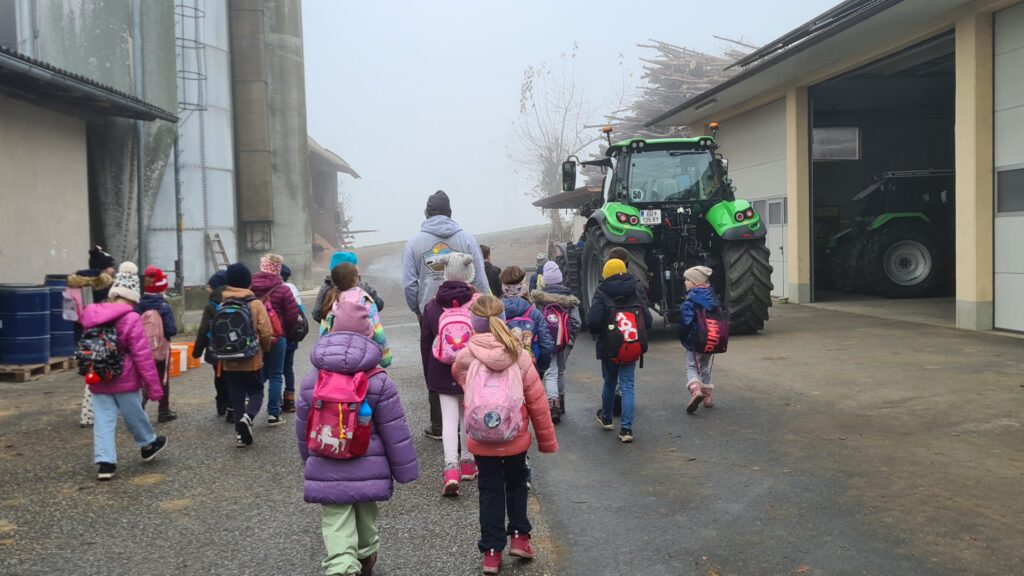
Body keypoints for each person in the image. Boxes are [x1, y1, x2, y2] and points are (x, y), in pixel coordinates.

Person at [295, 307, 418, 576]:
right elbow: (394, 430)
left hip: (326, 458)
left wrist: (308, 458)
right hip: (367, 463)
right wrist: (405, 471)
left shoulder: (313, 377)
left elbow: (304, 425)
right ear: (369, 336)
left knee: (335, 517)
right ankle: (366, 553)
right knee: (365, 509)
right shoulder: (378, 380)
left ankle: (341, 565)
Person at [452, 295, 557, 574]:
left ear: (474, 323)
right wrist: (546, 441)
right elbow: (537, 401)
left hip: (481, 437)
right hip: (514, 436)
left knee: (489, 491)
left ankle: (491, 552)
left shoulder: (465, 356)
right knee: (517, 483)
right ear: (502, 320)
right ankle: (520, 538)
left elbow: (460, 380)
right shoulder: (519, 355)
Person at [402, 190, 489, 440]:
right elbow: (480, 278)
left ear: (426, 213)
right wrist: (484, 310)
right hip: (468, 311)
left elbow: (409, 284)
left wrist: (418, 310)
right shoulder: (467, 240)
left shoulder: (414, 244)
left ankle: (440, 425)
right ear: (450, 213)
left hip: (432, 312)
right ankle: (474, 418)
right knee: (472, 360)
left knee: (434, 362)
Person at [78, 262, 167, 480]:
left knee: (103, 421)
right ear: (134, 297)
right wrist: (154, 387)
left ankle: (105, 463)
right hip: (125, 376)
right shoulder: (131, 318)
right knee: (134, 415)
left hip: (98, 375)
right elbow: (142, 356)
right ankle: (148, 444)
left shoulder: (92, 314)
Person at [419, 252, 479, 496]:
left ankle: (451, 469)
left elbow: (425, 343)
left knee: (449, 421)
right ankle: (468, 464)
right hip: (470, 369)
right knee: (467, 418)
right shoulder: (477, 303)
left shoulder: (432, 305)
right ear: (468, 274)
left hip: (441, 369)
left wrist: (429, 375)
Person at [588, 258, 652, 443]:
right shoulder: (635, 289)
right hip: (631, 345)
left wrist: (598, 333)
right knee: (628, 386)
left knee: (609, 383)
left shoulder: (602, 291)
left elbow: (594, 321)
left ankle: (607, 419)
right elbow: (647, 321)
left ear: (605, 274)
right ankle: (626, 429)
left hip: (610, 346)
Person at [220, 263, 274, 447]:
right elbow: (266, 331)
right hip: (251, 359)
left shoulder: (223, 304)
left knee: (236, 395)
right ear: (248, 282)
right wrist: (265, 349)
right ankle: (248, 418)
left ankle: (239, 436)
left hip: (229, 360)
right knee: (256, 391)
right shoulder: (255, 304)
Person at [68, 246, 116, 427]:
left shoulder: (80, 282)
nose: (113, 270)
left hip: (82, 333)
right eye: (110, 266)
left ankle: (91, 414)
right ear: (103, 267)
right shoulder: (102, 283)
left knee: (92, 373)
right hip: (97, 334)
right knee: (97, 375)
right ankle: (89, 415)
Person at [251, 253, 300, 427]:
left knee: (256, 372)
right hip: (277, 336)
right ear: (278, 269)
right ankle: (273, 414)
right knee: (276, 374)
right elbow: (292, 315)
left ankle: (248, 407)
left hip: (255, 336)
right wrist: (284, 330)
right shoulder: (283, 289)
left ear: (262, 266)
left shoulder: (251, 286)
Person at [530, 261, 581, 424]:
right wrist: (570, 340)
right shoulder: (570, 299)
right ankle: (562, 402)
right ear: (560, 279)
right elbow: (576, 322)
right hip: (564, 342)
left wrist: (541, 341)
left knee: (551, 372)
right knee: (561, 371)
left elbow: (535, 322)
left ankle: (553, 407)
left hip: (547, 343)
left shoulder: (539, 299)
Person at [321, 262, 392, 368]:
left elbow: (324, 333)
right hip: (364, 357)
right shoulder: (364, 298)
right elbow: (377, 330)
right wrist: (385, 358)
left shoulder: (332, 300)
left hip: (338, 359)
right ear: (355, 280)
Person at [135, 266, 178, 422]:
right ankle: (163, 411)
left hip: (142, 349)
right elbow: (172, 330)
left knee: (144, 377)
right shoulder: (163, 306)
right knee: (162, 378)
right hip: (161, 348)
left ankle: (140, 405)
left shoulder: (138, 305)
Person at [677, 265, 719, 413]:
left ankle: (696, 392)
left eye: (687, 279)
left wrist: (684, 338)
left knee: (692, 366)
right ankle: (708, 398)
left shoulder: (691, 299)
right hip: (711, 339)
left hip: (695, 341)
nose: (685, 282)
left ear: (695, 282)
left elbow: (685, 322)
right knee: (705, 367)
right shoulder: (713, 298)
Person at [192, 270, 232, 422]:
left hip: (216, 349)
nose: (208, 289)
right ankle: (232, 407)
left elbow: (203, 330)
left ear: (215, 287)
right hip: (236, 347)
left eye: (209, 286)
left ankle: (221, 402)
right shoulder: (235, 299)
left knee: (219, 376)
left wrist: (197, 352)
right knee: (233, 377)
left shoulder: (211, 306)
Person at [498, 266, 553, 375]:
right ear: (523, 286)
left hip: (503, 371)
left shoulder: (495, 313)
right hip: (530, 370)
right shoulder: (533, 313)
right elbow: (546, 344)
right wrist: (541, 368)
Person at [312, 251, 384, 324]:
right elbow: (379, 305)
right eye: (356, 265)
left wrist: (331, 323)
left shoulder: (325, 288)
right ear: (353, 270)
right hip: (362, 329)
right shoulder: (363, 287)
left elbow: (316, 313)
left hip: (334, 330)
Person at [280, 264, 304, 413]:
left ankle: (275, 401)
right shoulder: (294, 292)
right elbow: (302, 315)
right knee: (288, 368)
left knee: (274, 371)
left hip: (278, 337)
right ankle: (289, 400)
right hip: (292, 336)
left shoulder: (274, 291)